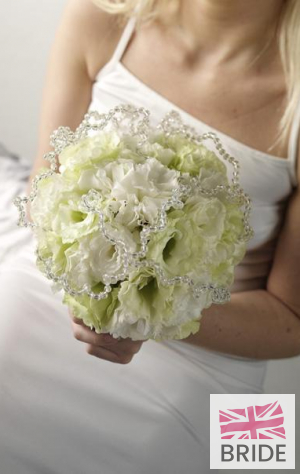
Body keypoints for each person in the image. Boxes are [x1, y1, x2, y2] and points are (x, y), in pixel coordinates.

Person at [0, 0, 299, 473]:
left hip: (211, 358)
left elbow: (292, 322)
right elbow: (45, 188)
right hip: (49, 305)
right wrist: (99, 288)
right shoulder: (101, 15)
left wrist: (153, 315)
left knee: (243, 455)